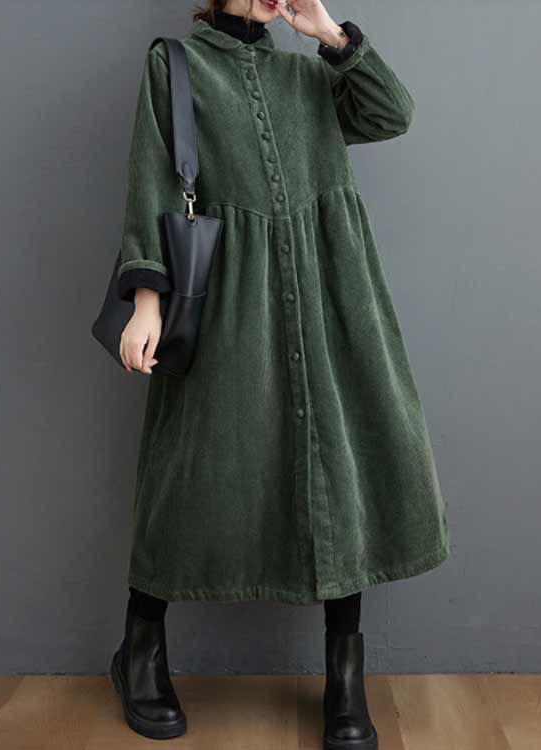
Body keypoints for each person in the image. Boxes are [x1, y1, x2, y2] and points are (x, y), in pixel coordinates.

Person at [109, 2, 451, 748]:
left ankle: (345, 678)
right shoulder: (175, 65)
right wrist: (146, 303)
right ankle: (139, 651)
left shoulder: (308, 75)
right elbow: (153, 181)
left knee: (340, 467)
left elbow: (391, 114)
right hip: (227, 298)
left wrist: (328, 35)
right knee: (187, 469)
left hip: (332, 297)